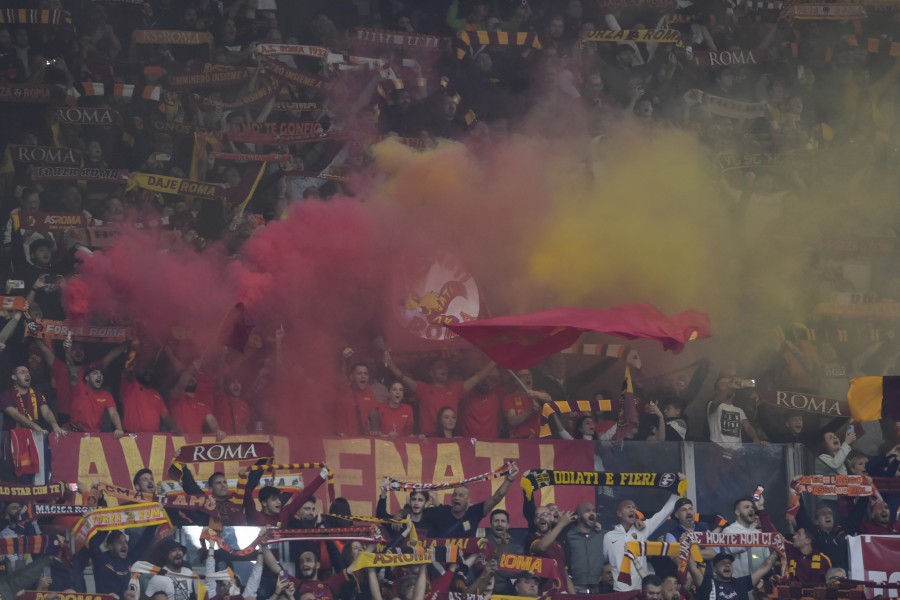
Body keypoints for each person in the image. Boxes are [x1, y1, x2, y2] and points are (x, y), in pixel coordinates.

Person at [385, 351, 495, 436]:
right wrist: (390, 364)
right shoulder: (423, 389)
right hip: (430, 440)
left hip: (450, 438)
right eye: (439, 367)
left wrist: (495, 360)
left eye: (445, 366)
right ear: (431, 372)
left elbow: (479, 376)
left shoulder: (455, 388)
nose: (444, 369)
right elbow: (403, 378)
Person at [604, 474, 684, 591]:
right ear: (619, 513)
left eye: (634, 507)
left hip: (640, 591)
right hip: (619, 592)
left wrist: (677, 491)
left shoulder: (642, 530)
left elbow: (663, 513)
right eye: (628, 507)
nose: (632, 509)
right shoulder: (609, 537)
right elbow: (604, 560)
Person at [420, 462, 519, 537]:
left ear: (468, 500)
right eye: (455, 495)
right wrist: (424, 504)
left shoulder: (474, 513)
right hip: (442, 562)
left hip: (465, 563)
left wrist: (510, 478)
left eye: (461, 495)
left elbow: (497, 497)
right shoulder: (442, 511)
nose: (457, 497)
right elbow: (415, 513)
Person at [688, 551, 779, 600]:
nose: (727, 565)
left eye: (729, 563)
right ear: (715, 568)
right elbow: (691, 562)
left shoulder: (741, 583)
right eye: (723, 563)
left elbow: (765, 566)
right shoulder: (706, 583)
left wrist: (777, 548)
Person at [706, 377, 764, 448]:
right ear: (716, 391)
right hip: (718, 450)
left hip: (736, 452)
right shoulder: (713, 405)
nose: (728, 385)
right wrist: (730, 387)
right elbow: (716, 402)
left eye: (729, 383)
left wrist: (755, 438)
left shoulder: (739, 410)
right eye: (724, 384)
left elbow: (748, 427)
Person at [69, 366, 125, 437]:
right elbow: (73, 380)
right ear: (87, 378)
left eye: (101, 374)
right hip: (75, 434)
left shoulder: (106, 395)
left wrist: (119, 428)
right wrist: (73, 372)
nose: (99, 375)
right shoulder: (79, 388)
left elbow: (113, 413)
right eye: (95, 373)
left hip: (95, 435)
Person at [564, 502, 606, 594]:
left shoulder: (603, 535)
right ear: (578, 516)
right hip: (574, 590)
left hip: (598, 590)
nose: (592, 513)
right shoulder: (568, 535)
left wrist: (636, 522)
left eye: (594, 511)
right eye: (587, 511)